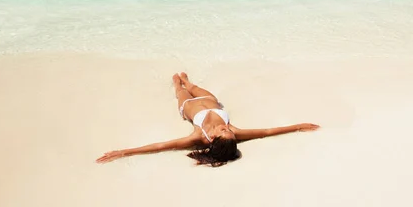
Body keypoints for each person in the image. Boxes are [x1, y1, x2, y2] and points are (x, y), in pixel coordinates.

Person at [96, 72, 319, 167]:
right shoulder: (234, 133)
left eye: (224, 131)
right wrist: (299, 126)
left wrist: (124, 152)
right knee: (190, 84)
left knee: (179, 88)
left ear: (211, 138)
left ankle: (178, 83)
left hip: (187, 107)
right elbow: (269, 131)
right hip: (211, 99)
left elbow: (160, 146)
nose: (226, 127)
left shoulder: (197, 136)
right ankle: (186, 80)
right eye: (228, 130)